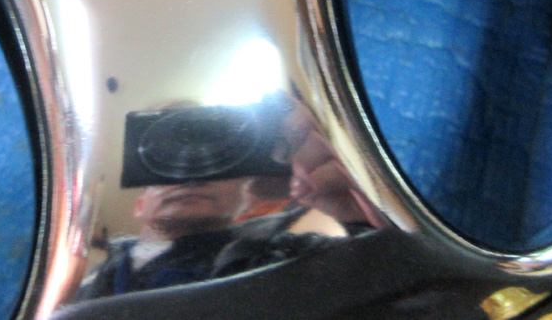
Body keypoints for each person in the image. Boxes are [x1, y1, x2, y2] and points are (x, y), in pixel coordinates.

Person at [72, 100, 383, 301]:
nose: (190, 177)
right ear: (139, 205)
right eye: (167, 165)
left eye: (214, 162)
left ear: (246, 198)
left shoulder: (287, 257)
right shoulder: (79, 275)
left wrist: (360, 215)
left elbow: (391, 290)